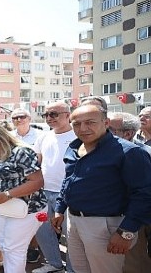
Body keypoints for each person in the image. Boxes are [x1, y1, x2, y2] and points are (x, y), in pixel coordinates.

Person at [52, 105, 151, 273]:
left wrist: (126, 232)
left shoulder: (129, 152)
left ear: (106, 123)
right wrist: (60, 208)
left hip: (107, 225)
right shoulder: (74, 147)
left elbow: (144, 194)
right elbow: (68, 180)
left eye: (90, 122)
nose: (83, 128)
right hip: (74, 221)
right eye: (76, 124)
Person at [0, 122, 47, 273]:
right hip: (4, 207)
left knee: (14, 249)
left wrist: (8, 195)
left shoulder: (21, 152)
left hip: (28, 207)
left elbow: (38, 181)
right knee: (4, 246)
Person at [30, 101, 75, 273]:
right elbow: (37, 162)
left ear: (67, 114)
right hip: (43, 191)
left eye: (54, 114)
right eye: (46, 115)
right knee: (42, 231)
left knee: (70, 236)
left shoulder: (78, 136)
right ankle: (54, 264)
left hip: (68, 194)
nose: (49, 118)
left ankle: (72, 269)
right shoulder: (43, 136)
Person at [106, 112, 151, 273]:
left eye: (109, 129)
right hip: (117, 217)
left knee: (134, 263)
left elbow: (143, 194)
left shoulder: (139, 153)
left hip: (134, 219)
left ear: (128, 133)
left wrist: (128, 229)